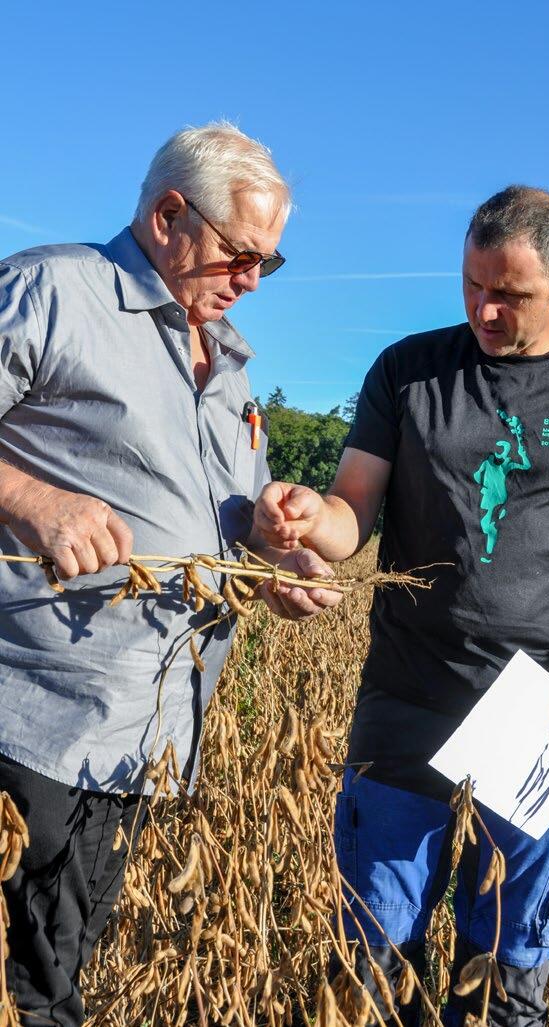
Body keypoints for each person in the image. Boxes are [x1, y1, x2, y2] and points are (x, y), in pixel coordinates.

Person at [254, 186, 549, 1026]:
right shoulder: (408, 370)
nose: (485, 308)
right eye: (473, 284)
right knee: (371, 963)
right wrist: (307, 524)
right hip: (406, 703)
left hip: (542, 725)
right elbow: (351, 510)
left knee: (507, 979)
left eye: (511, 293)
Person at [0, 121, 340, 1027]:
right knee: (27, 992)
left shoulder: (227, 371)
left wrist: (279, 559)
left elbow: (238, 524)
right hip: (31, 717)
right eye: (240, 255)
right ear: (167, 214)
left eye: (271, 263)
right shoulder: (54, 291)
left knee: (55, 967)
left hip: (138, 740)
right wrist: (32, 498)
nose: (252, 283)